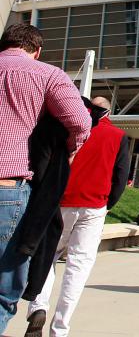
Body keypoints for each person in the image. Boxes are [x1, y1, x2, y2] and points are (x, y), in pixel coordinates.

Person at [0, 24, 91, 334]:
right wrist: (66, 154)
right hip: (8, 186)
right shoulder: (47, 74)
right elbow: (80, 122)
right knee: (2, 289)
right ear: (37, 51)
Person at [25, 96, 128, 337]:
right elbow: (121, 176)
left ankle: (38, 306)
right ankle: (60, 328)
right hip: (94, 206)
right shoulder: (118, 136)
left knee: (47, 255)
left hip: (61, 201)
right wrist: (107, 202)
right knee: (78, 266)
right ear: (109, 111)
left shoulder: (71, 127)